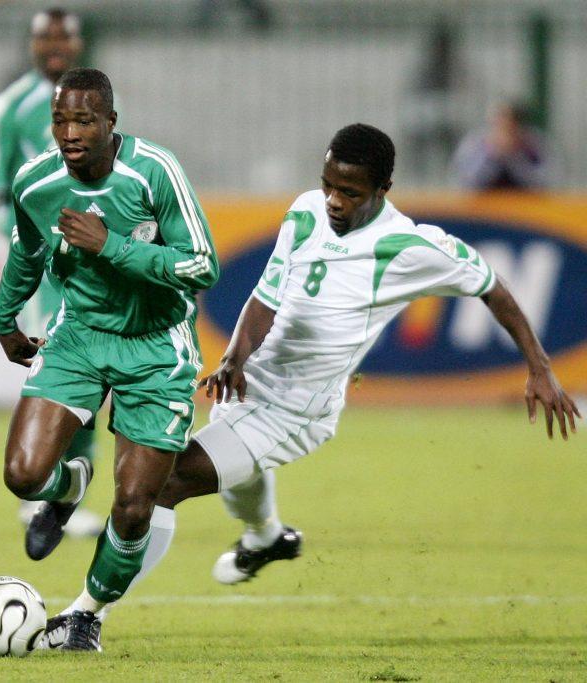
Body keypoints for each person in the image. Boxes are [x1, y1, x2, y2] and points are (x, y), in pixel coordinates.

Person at [113, 124, 580, 635]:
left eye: (350, 192)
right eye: (328, 185)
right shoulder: (305, 210)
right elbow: (267, 294)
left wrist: (540, 368)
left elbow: (492, 285)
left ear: (383, 190)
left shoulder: (408, 245)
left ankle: (89, 613)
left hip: (296, 409)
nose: (334, 200)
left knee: (165, 483)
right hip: (251, 382)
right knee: (237, 480)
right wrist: (234, 359)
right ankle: (266, 536)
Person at [0, 67, 219, 651]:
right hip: (80, 336)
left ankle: (87, 614)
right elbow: (27, 249)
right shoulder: (36, 183)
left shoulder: (154, 171)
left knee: (135, 506)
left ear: (111, 123)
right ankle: (69, 485)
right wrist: (4, 317)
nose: (70, 133)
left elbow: (202, 265)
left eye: (85, 121)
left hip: (157, 346)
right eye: (60, 120)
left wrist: (111, 245)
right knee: (23, 476)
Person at [0, 7, 103, 553]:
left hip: (90, 254)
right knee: (63, 360)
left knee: (94, 371)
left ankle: (66, 490)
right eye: (45, 37)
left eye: (63, 36)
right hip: (43, 257)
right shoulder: (11, 107)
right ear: (31, 44)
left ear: (78, 44)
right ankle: (43, 490)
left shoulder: (100, 102)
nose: (54, 45)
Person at [451, 101, 558, 191]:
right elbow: (465, 182)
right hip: (482, 205)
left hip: (524, 205)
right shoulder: (474, 143)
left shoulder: (534, 145)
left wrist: (515, 156)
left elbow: (545, 183)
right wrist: (493, 155)